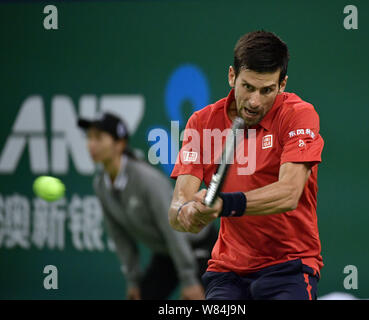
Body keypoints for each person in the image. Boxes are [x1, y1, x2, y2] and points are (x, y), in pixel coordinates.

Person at [168, 30, 324, 300]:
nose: (254, 101)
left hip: (289, 267)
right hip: (227, 272)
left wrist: (224, 204)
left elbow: (289, 193)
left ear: (282, 84)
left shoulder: (299, 115)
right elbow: (176, 209)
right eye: (248, 87)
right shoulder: (202, 123)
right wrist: (189, 213)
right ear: (232, 76)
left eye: (267, 90)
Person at [77, 112, 217, 300]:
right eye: (89, 138)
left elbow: (173, 230)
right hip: (166, 252)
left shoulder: (146, 180)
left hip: (197, 245)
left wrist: (189, 280)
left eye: (98, 138)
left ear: (120, 144)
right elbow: (119, 237)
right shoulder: (101, 185)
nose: (90, 145)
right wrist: (133, 281)